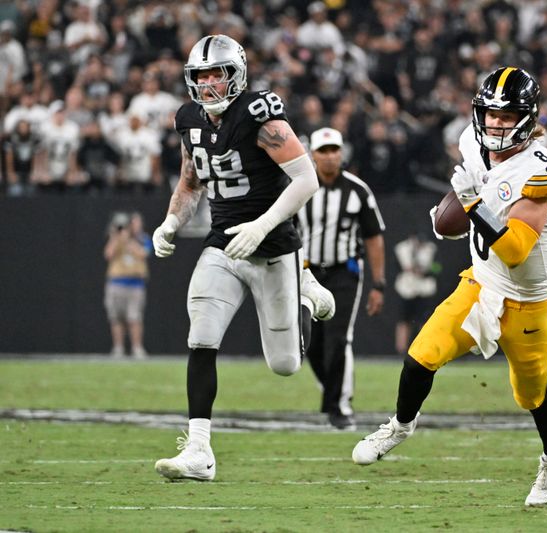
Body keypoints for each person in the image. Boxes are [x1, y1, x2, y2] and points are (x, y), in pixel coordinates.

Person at [352, 67, 547, 507]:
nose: (495, 122)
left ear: (528, 118)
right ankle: (399, 426)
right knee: (421, 356)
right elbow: (453, 222)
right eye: (489, 112)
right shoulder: (472, 143)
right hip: (481, 282)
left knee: (533, 396)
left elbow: (514, 249)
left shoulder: (543, 170)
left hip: (531, 301)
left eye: (507, 114)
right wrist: (450, 218)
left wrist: (473, 204)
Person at [150, 34, 335, 481]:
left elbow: (306, 179)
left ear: (236, 75)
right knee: (202, 335)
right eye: (201, 75)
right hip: (224, 244)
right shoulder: (188, 119)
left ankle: (305, 293)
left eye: (217, 74)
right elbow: (192, 180)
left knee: (285, 364)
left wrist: (262, 226)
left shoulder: (259, 114)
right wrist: (170, 222)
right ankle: (199, 450)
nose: (209, 84)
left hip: (273, 248)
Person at [296, 127, 386, 430]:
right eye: (324, 151)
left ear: (342, 153)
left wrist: (379, 284)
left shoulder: (358, 190)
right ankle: (332, 394)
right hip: (307, 272)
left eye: (335, 150)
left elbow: (374, 237)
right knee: (310, 342)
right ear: (312, 155)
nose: (330, 156)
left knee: (339, 338)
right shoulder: (300, 188)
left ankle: (339, 404)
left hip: (344, 272)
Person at [103, 211, 152, 359]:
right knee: (116, 317)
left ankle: (137, 348)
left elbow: (143, 254)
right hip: (116, 282)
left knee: (134, 317)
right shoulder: (115, 239)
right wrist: (116, 238)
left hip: (135, 284)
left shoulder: (143, 239)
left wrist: (128, 241)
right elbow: (108, 255)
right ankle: (118, 348)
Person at [393, 232, 439, 354]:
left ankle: (423, 347)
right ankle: (401, 350)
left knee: (424, 320)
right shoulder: (402, 248)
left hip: (424, 290)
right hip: (406, 289)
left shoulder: (431, 249)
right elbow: (399, 268)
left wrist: (427, 269)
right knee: (404, 320)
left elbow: (437, 268)